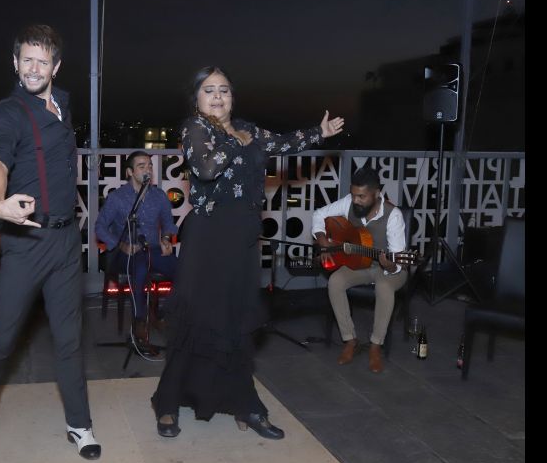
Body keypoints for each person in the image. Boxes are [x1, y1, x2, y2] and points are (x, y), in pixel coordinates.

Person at [150, 66, 344, 439]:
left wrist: (319, 132)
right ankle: (169, 402)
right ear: (197, 98)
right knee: (195, 320)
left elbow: (283, 143)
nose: (218, 96)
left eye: (224, 90)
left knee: (237, 322)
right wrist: (232, 138)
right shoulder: (195, 128)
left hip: (242, 241)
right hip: (208, 239)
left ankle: (245, 403)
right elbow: (206, 169)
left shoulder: (249, 129)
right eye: (209, 90)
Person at [0, 24, 101, 461]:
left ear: (56, 66)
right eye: (27, 60)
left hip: (64, 241)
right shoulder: (10, 110)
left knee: (69, 338)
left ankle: (79, 425)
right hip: (26, 241)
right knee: (4, 336)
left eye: (42, 61)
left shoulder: (64, 102)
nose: (33, 68)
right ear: (15, 63)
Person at [311, 165, 408, 374]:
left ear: (376, 193)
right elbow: (319, 214)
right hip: (360, 264)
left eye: (362, 197)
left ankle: (375, 346)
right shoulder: (349, 202)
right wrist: (322, 239)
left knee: (384, 286)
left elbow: (397, 262)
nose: (356, 201)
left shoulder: (394, 216)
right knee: (335, 282)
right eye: (354, 195)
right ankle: (350, 340)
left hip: (390, 270)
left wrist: (389, 264)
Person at [95, 150, 178, 355]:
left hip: (153, 249)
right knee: (140, 268)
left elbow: (168, 223)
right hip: (124, 253)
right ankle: (139, 325)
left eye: (150, 166)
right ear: (130, 172)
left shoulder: (159, 196)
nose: (148, 169)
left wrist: (166, 239)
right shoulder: (118, 197)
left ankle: (162, 315)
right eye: (142, 166)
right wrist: (121, 245)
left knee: (185, 270)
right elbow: (100, 228)